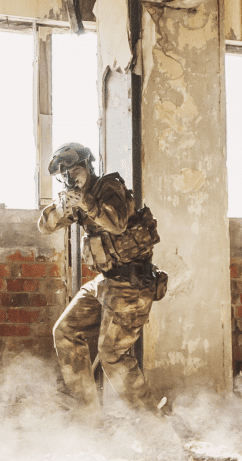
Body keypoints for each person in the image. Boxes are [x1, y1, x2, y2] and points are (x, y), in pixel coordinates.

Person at [35, 143, 170, 420]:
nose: (71, 178)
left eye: (74, 170)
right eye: (65, 175)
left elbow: (117, 223)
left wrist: (84, 201)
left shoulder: (109, 187)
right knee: (66, 331)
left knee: (112, 355)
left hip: (133, 284)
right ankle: (87, 416)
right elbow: (45, 226)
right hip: (107, 283)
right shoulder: (78, 197)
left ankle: (152, 423)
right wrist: (63, 207)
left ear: (88, 166)